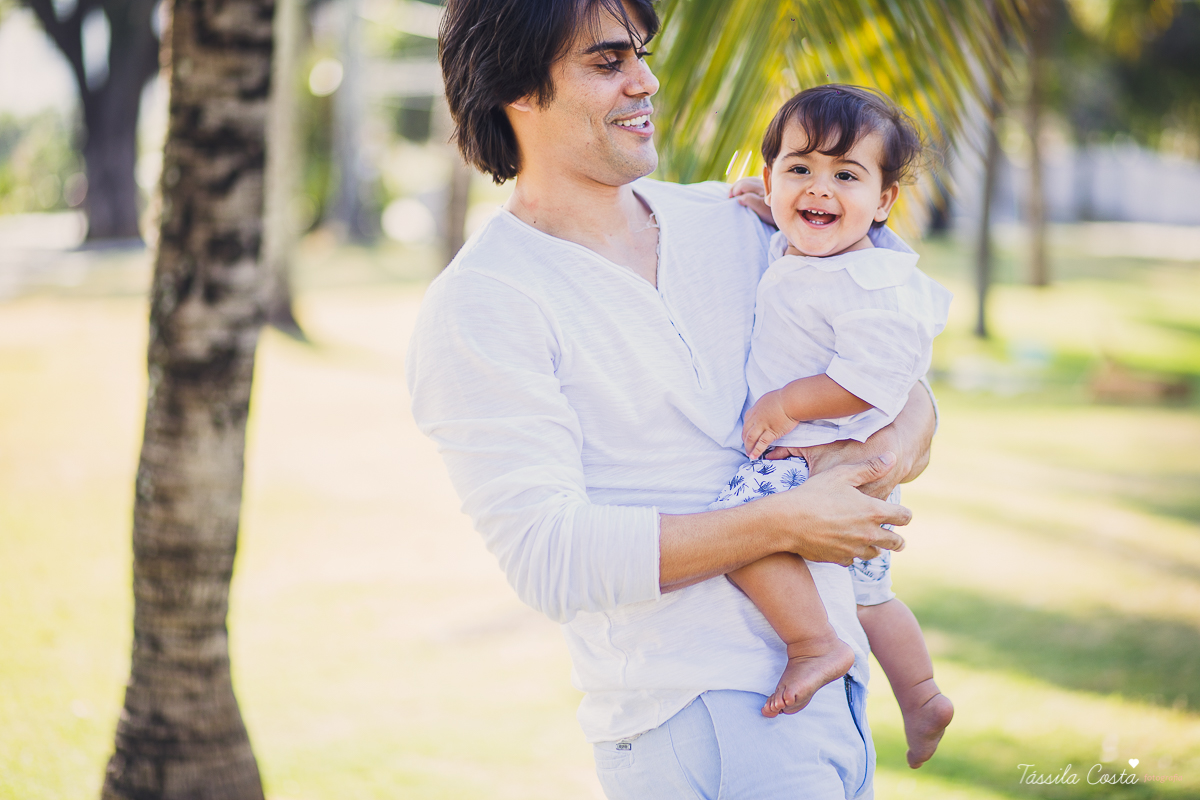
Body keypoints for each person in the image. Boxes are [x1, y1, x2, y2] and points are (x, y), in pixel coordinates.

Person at [408, 1, 937, 796]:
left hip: (836, 695)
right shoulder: (485, 302)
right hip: (703, 719)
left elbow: (902, 375)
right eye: (607, 61)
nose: (646, 80)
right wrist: (788, 519)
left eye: (641, 54)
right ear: (518, 86)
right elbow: (552, 559)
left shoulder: (742, 221)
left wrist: (873, 459)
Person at [708, 84, 955, 769]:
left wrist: (786, 405)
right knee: (873, 596)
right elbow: (798, 212)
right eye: (799, 170)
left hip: (814, 459)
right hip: (837, 468)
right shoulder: (812, 248)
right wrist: (776, 208)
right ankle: (922, 693)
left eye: (846, 175)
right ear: (768, 177)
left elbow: (868, 381)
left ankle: (814, 642)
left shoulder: (870, 285)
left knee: (738, 535)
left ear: (883, 202)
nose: (820, 188)